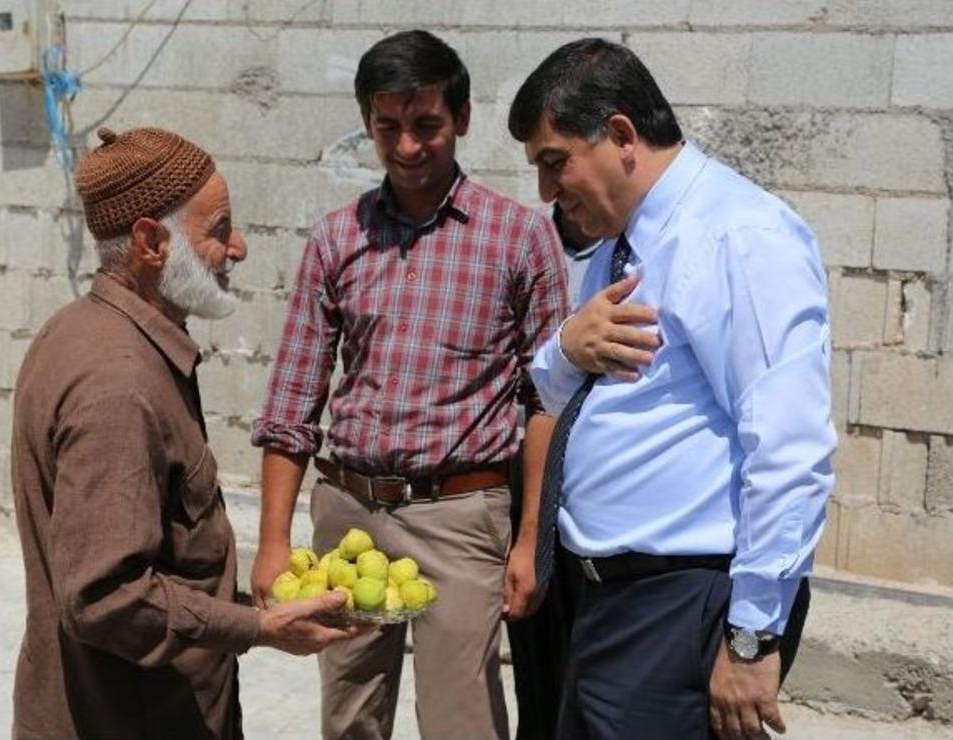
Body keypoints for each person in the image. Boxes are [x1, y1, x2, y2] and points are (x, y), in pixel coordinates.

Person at [508, 39, 837, 739]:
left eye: (553, 162)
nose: (545, 191)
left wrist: (751, 636)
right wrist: (567, 350)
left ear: (621, 136)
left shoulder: (738, 235)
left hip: (682, 604)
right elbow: (573, 395)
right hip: (609, 603)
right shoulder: (624, 243)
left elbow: (790, 447)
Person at [250, 30, 569, 740]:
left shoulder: (518, 239)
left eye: (425, 125)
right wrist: (273, 541)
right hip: (349, 516)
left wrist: (529, 542)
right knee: (350, 717)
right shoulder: (338, 239)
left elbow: (549, 401)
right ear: (367, 123)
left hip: (462, 516)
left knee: (462, 721)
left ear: (461, 117)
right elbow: (292, 402)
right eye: (386, 127)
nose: (407, 146)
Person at [11, 126, 360, 740]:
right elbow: (104, 597)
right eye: (219, 229)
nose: (239, 247)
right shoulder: (118, 384)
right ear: (151, 241)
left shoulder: (83, 330)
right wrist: (259, 628)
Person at [504, 203, 601, 740]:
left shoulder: (647, 250)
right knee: (540, 671)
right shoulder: (528, 242)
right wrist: (529, 537)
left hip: (605, 492)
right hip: (537, 474)